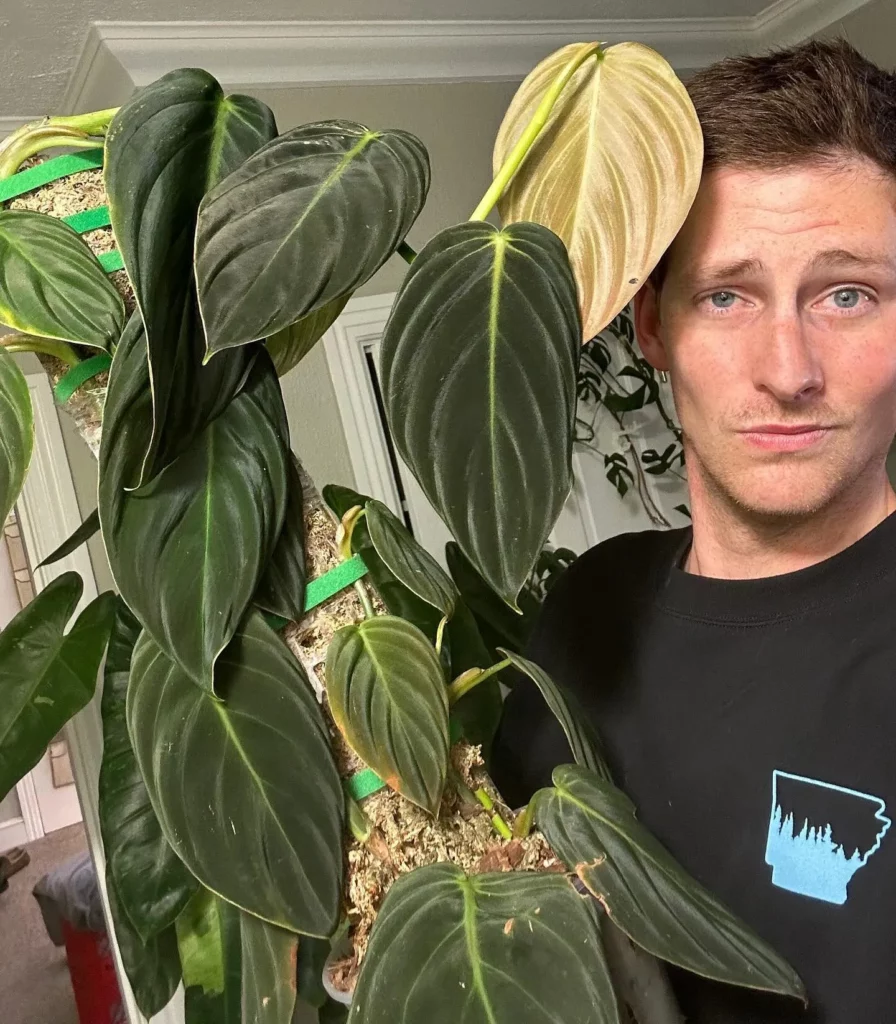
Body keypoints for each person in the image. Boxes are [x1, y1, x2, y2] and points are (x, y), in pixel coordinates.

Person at [492, 38, 896, 1024]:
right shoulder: (586, 603)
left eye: (845, 293)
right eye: (726, 294)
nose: (788, 368)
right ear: (651, 327)